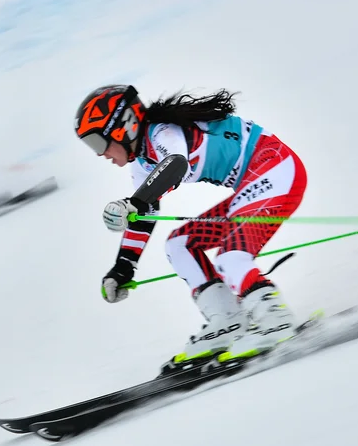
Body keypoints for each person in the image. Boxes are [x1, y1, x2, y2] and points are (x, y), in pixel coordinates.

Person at [73, 84, 308, 368]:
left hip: (275, 170)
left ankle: (277, 321)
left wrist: (135, 202)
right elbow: (144, 212)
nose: (100, 154)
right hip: (254, 182)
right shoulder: (142, 161)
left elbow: (175, 165)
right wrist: (124, 266)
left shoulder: (163, 133)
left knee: (231, 256)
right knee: (180, 244)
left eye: (98, 142)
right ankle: (229, 323)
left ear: (123, 127)